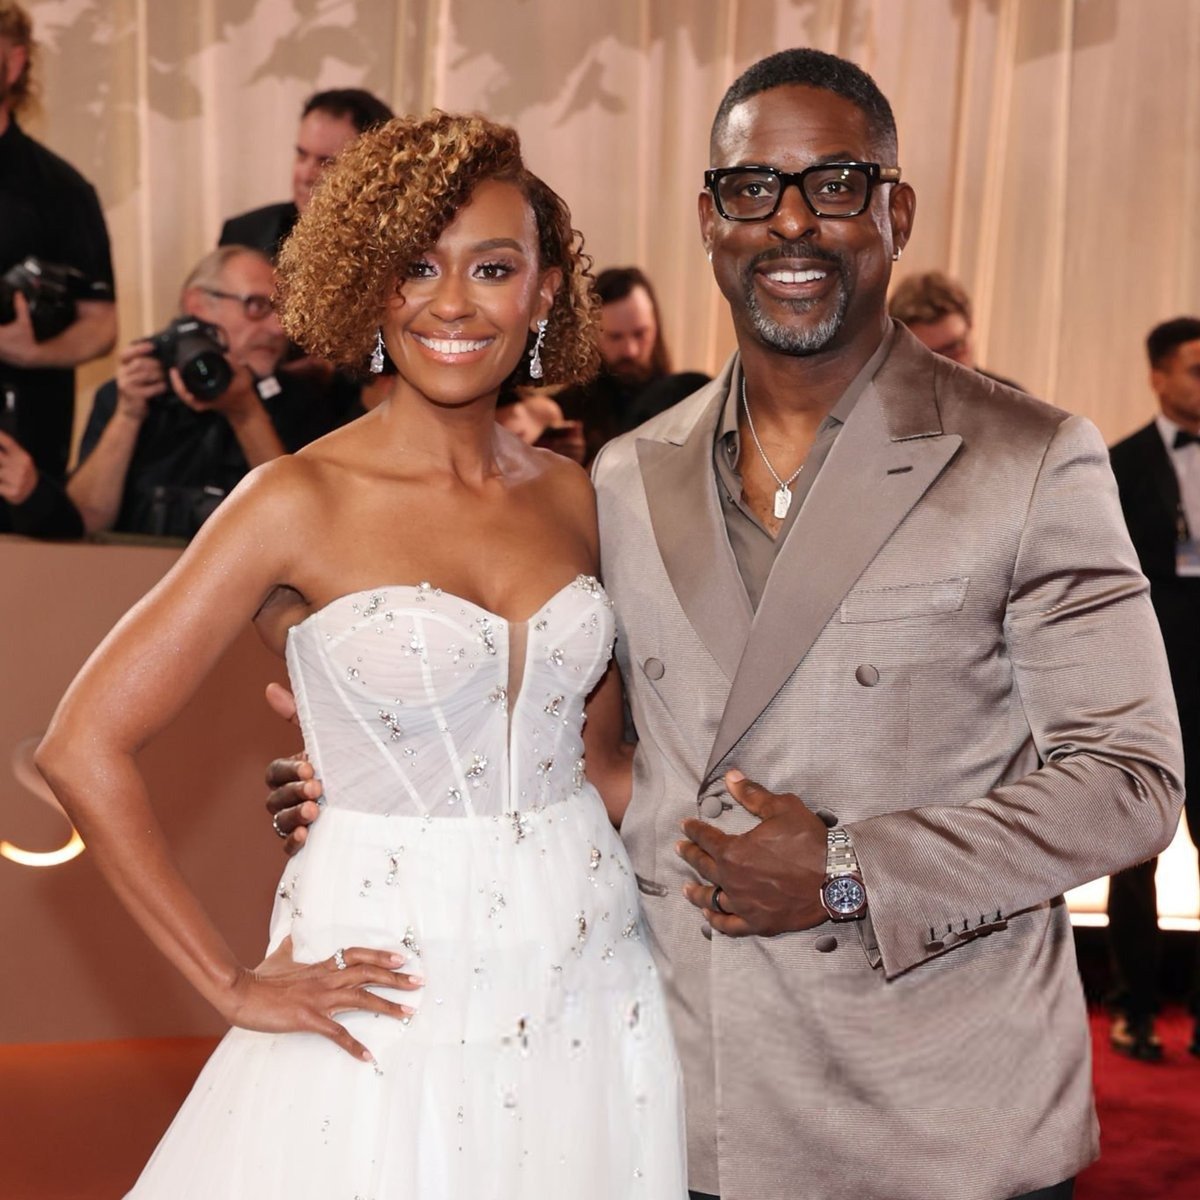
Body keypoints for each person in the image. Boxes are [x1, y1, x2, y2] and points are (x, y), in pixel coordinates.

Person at [261, 49, 1182, 1200]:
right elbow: (594, 755)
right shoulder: (626, 475)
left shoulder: (1029, 458)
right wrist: (388, 770)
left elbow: (1131, 782)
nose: (791, 222)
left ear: (895, 210)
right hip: (676, 1100)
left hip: (938, 1118)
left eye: (836, 185)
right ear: (709, 219)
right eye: (753, 190)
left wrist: (850, 868)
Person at [37, 111, 687, 1198]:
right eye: (415, 266)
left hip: (591, 973)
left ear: (544, 291)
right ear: (370, 285)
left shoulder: (579, 497)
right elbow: (81, 746)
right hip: (385, 982)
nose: (450, 302)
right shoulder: (295, 500)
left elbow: (609, 769)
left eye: (491, 268)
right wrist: (232, 984)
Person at [68, 246, 342, 539]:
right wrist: (128, 415)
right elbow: (83, 522)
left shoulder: (301, 400)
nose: (278, 329)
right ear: (197, 305)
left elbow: (303, 526)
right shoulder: (134, 393)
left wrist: (246, 413)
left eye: (283, 311)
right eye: (257, 306)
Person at [1104, 316, 1200, 1062]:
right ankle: (1133, 1007)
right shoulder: (1118, 464)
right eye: (1196, 369)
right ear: (1159, 376)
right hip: (1147, 684)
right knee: (1135, 858)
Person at [0, 0, 115, 538]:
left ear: (15, 62)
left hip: (20, 468)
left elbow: (101, 324)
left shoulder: (61, 191)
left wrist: (32, 351)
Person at [219, 87, 394, 260]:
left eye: (327, 162)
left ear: (372, 169)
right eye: (301, 155)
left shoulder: (393, 244)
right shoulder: (244, 235)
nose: (306, 175)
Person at [556, 266, 708, 463]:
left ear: (656, 327)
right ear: (593, 334)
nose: (630, 350)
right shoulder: (565, 415)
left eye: (640, 334)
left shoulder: (688, 402)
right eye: (615, 337)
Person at [889, 269, 1025, 390]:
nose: (947, 367)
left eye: (954, 349)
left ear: (970, 325)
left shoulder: (1011, 405)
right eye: (929, 356)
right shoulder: (884, 405)